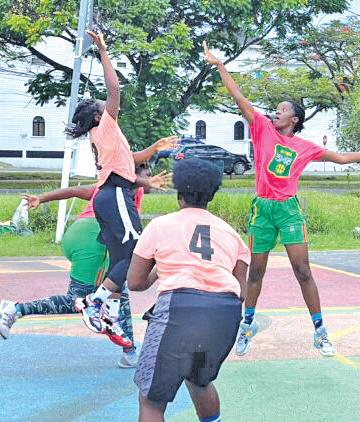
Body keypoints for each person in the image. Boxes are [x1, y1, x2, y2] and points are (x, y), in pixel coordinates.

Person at [203, 41, 360, 357]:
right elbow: (238, 97)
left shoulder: (305, 147)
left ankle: (320, 332)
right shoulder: (262, 129)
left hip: (288, 210)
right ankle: (247, 325)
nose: (277, 111)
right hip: (263, 209)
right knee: (255, 272)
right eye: (277, 108)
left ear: (294, 119)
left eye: (283, 109)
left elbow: (342, 158)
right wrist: (219, 66)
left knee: (303, 271)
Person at [62, 30, 177, 341]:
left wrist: (154, 148)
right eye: (104, 105)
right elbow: (114, 89)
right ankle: (95, 301)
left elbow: (129, 160)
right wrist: (102, 50)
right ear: (98, 114)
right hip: (114, 195)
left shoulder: (105, 136)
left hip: (109, 196)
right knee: (138, 252)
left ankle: (110, 313)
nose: (110, 105)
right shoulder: (106, 125)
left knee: (119, 260)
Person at [0, 165, 170, 367]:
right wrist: (145, 180)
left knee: (116, 288)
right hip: (93, 241)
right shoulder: (131, 188)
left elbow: (74, 191)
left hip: (78, 233)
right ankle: (15, 309)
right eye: (147, 175)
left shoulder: (107, 187)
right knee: (80, 299)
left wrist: (42, 198)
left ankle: (129, 351)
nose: (152, 177)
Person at [127, 158, 250, 422]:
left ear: (179, 194)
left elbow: (135, 282)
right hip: (223, 314)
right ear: (211, 196)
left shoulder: (160, 225)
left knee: (152, 400)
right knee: (199, 381)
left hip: (179, 309)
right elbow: (241, 292)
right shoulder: (232, 235)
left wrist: (162, 267)